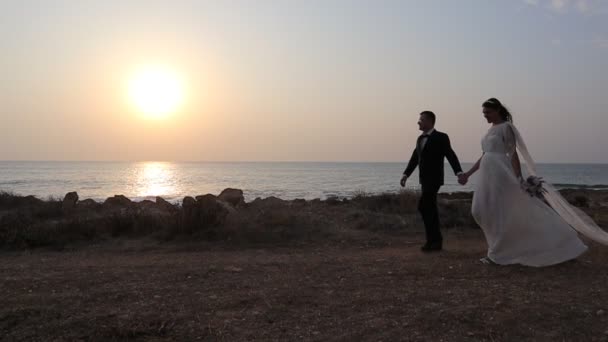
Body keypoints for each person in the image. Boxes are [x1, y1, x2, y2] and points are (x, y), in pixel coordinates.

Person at [458, 98, 592, 266]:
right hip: (487, 175)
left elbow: (513, 154)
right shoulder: (489, 129)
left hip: (501, 173)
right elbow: (485, 154)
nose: (485, 116)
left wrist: (518, 177)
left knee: (506, 212)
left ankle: (498, 253)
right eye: (483, 113)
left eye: (488, 112)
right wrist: (468, 174)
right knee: (479, 210)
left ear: (498, 110)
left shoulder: (506, 127)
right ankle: (500, 249)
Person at [401, 111, 465, 252]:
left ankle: (434, 240)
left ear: (429, 121)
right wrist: (406, 174)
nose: (418, 122)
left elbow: (450, 154)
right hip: (424, 179)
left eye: (421, 120)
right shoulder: (419, 139)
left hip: (434, 179)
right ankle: (433, 242)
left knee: (424, 206)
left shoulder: (441, 137)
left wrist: (459, 172)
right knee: (429, 208)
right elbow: (415, 158)